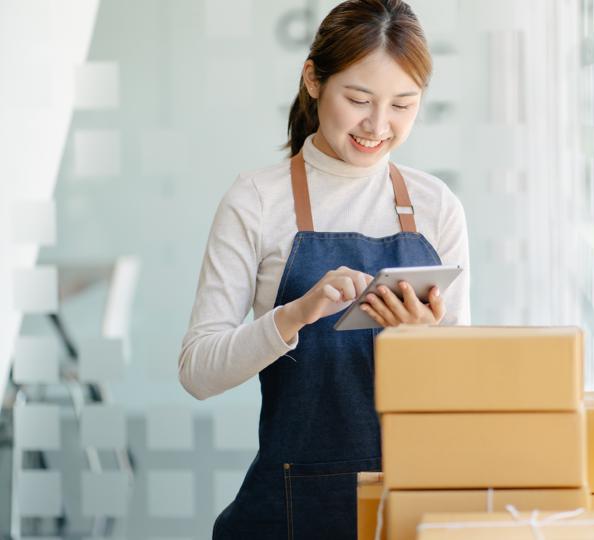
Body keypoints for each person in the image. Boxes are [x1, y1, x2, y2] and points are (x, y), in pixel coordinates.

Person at [177, 1, 470, 536]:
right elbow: (197, 371)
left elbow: (462, 402)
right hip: (289, 512)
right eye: (358, 99)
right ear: (313, 79)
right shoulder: (256, 201)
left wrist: (424, 344)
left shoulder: (437, 206)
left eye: (403, 105)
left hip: (409, 506)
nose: (377, 125)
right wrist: (293, 316)